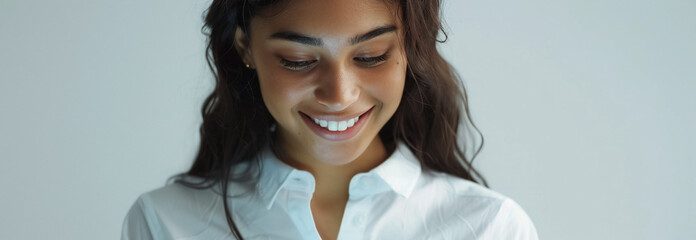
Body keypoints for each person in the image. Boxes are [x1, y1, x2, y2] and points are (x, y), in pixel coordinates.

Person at [121, 0, 539, 239]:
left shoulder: (490, 228)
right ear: (246, 48)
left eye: (370, 56)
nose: (340, 95)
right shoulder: (166, 223)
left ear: (412, 48)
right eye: (298, 61)